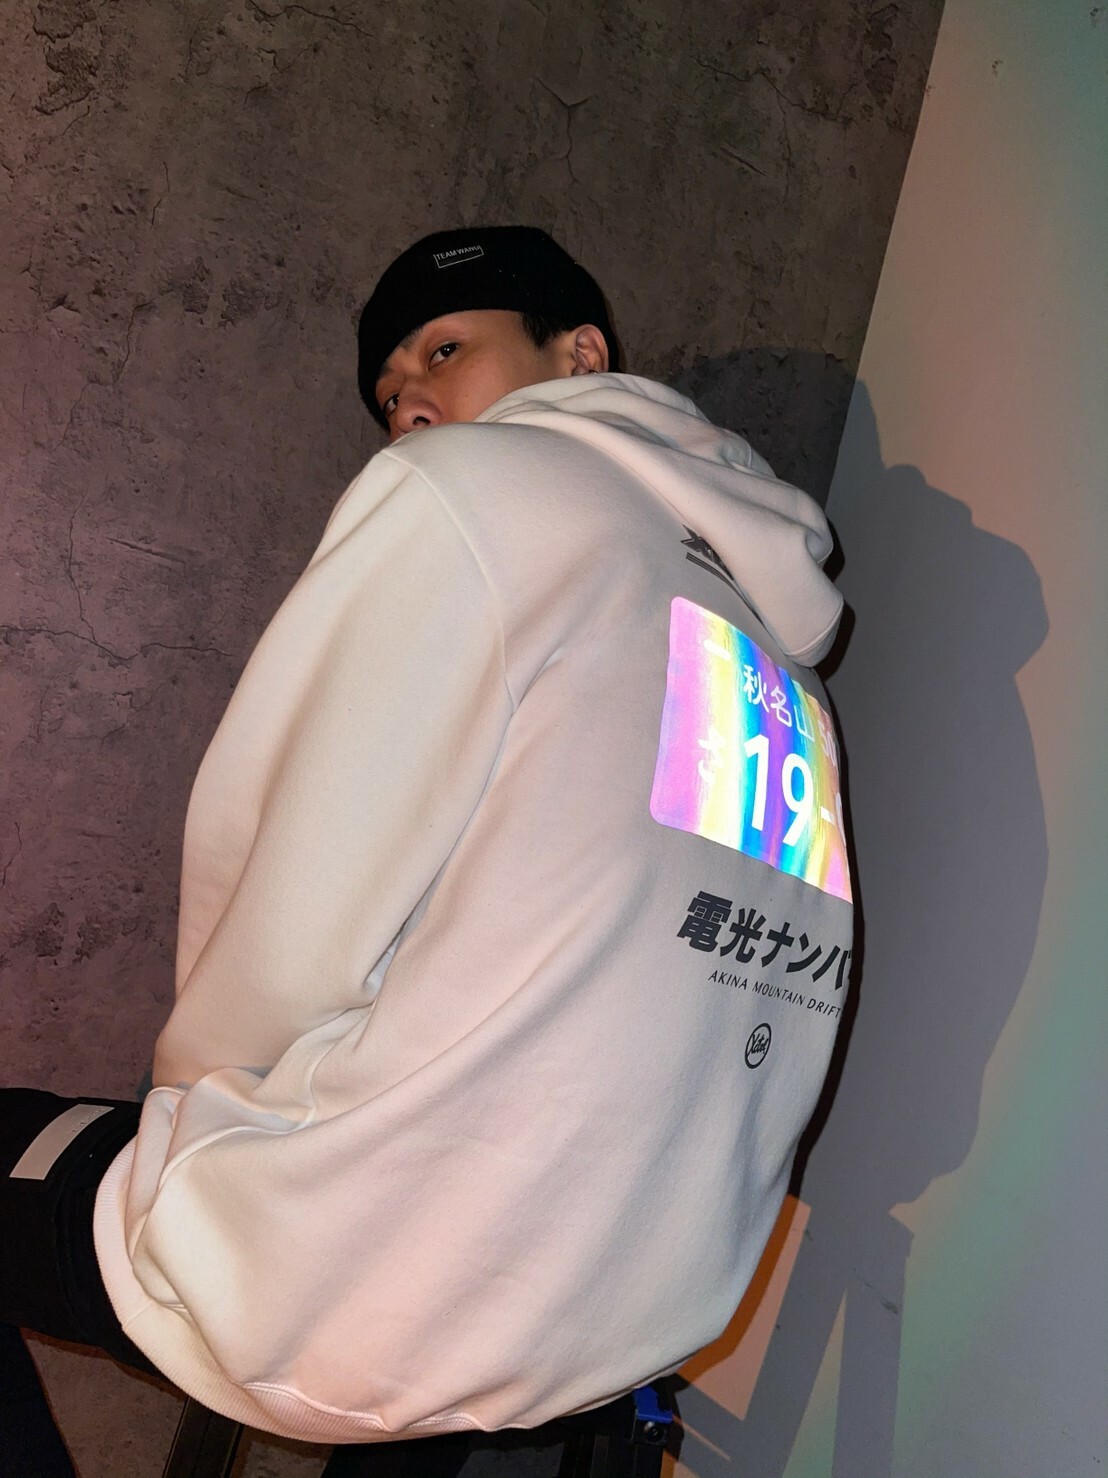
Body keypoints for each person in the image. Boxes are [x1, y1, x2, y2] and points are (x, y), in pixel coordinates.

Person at [0, 226, 853, 1473]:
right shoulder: (776, 660)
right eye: (389, 390)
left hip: (368, 1271)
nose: (407, 403)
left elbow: (291, 900)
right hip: (618, 1312)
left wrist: (196, 1108)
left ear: (581, 353)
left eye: (442, 351)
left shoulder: (473, 490)